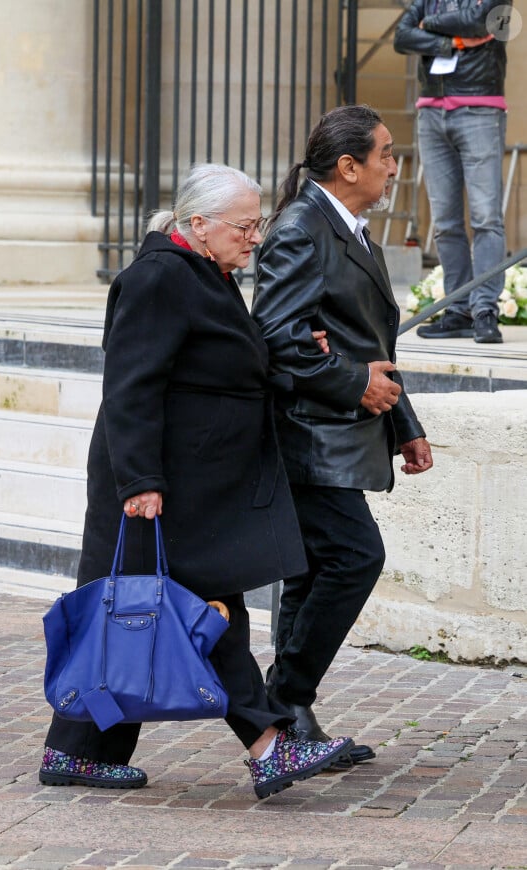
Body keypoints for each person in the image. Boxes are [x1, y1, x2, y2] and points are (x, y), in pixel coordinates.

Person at [38, 163, 355, 800]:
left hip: (194, 482)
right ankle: (268, 746)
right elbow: (130, 386)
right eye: (245, 225)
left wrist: (281, 359)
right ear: (199, 224)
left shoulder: (203, 275)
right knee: (193, 612)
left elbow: (216, 366)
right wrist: (139, 482)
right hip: (159, 484)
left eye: (257, 223)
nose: (255, 237)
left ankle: (73, 751)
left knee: (155, 612)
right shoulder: (158, 278)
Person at [251, 105, 434, 746]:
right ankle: (286, 698)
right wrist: (356, 383)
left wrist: (403, 422)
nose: (392, 164)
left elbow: (373, 342)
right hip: (307, 431)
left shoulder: (354, 233)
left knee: (313, 568)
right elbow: (277, 337)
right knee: (357, 556)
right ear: (348, 165)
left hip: (342, 428)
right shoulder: (302, 229)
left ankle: (288, 718)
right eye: (384, 153)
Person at [394, 0, 509, 344]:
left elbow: (478, 21)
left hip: (480, 108)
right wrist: (451, 43)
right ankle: (458, 310)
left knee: (486, 217)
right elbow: (401, 37)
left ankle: (485, 309)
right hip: (430, 111)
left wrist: (428, 25)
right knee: (444, 222)